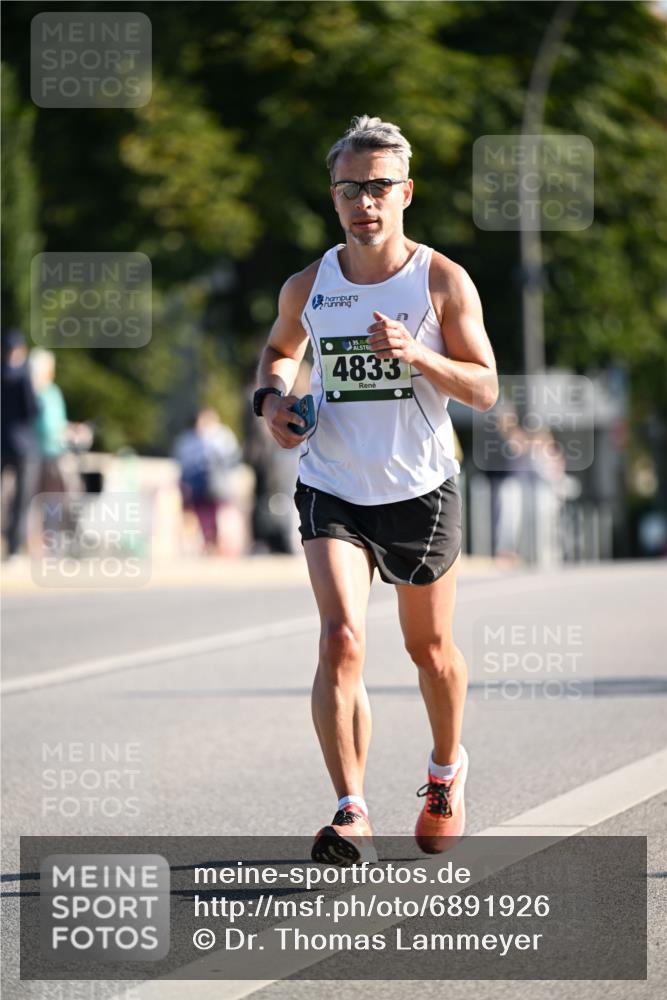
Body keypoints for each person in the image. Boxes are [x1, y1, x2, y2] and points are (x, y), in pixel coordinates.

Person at [253, 115, 498, 864]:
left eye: (378, 187)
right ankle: (350, 808)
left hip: (419, 488)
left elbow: (485, 387)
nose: (364, 202)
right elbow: (279, 350)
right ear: (333, 196)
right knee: (340, 639)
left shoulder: (440, 280)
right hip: (331, 483)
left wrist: (419, 355)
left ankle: (445, 772)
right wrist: (272, 402)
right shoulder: (310, 284)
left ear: (405, 193)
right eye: (349, 189)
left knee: (429, 650)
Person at [173, 408, 241, 554]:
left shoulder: (220, 436)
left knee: (220, 515)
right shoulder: (189, 439)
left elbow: (230, 460)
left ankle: (221, 544)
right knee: (203, 515)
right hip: (198, 485)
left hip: (217, 484)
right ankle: (208, 542)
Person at [1, 329, 39, 559]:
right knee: (21, 500)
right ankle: (13, 548)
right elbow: (32, 410)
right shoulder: (24, 376)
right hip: (23, 446)